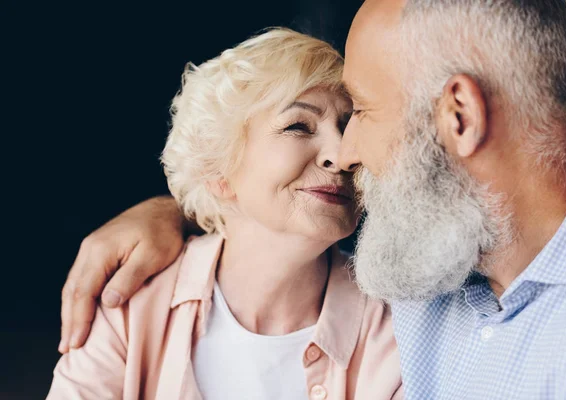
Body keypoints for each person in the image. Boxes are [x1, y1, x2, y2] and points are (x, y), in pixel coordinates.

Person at [61, 1, 566, 399]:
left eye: (359, 113)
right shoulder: (431, 255)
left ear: (459, 116)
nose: (344, 154)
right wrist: (166, 209)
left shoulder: (397, 304)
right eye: (300, 125)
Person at [49, 28, 402, 400]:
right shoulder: (130, 305)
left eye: (348, 128)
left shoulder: (395, 330)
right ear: (217, 171)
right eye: (298, 126)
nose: (342, 155)